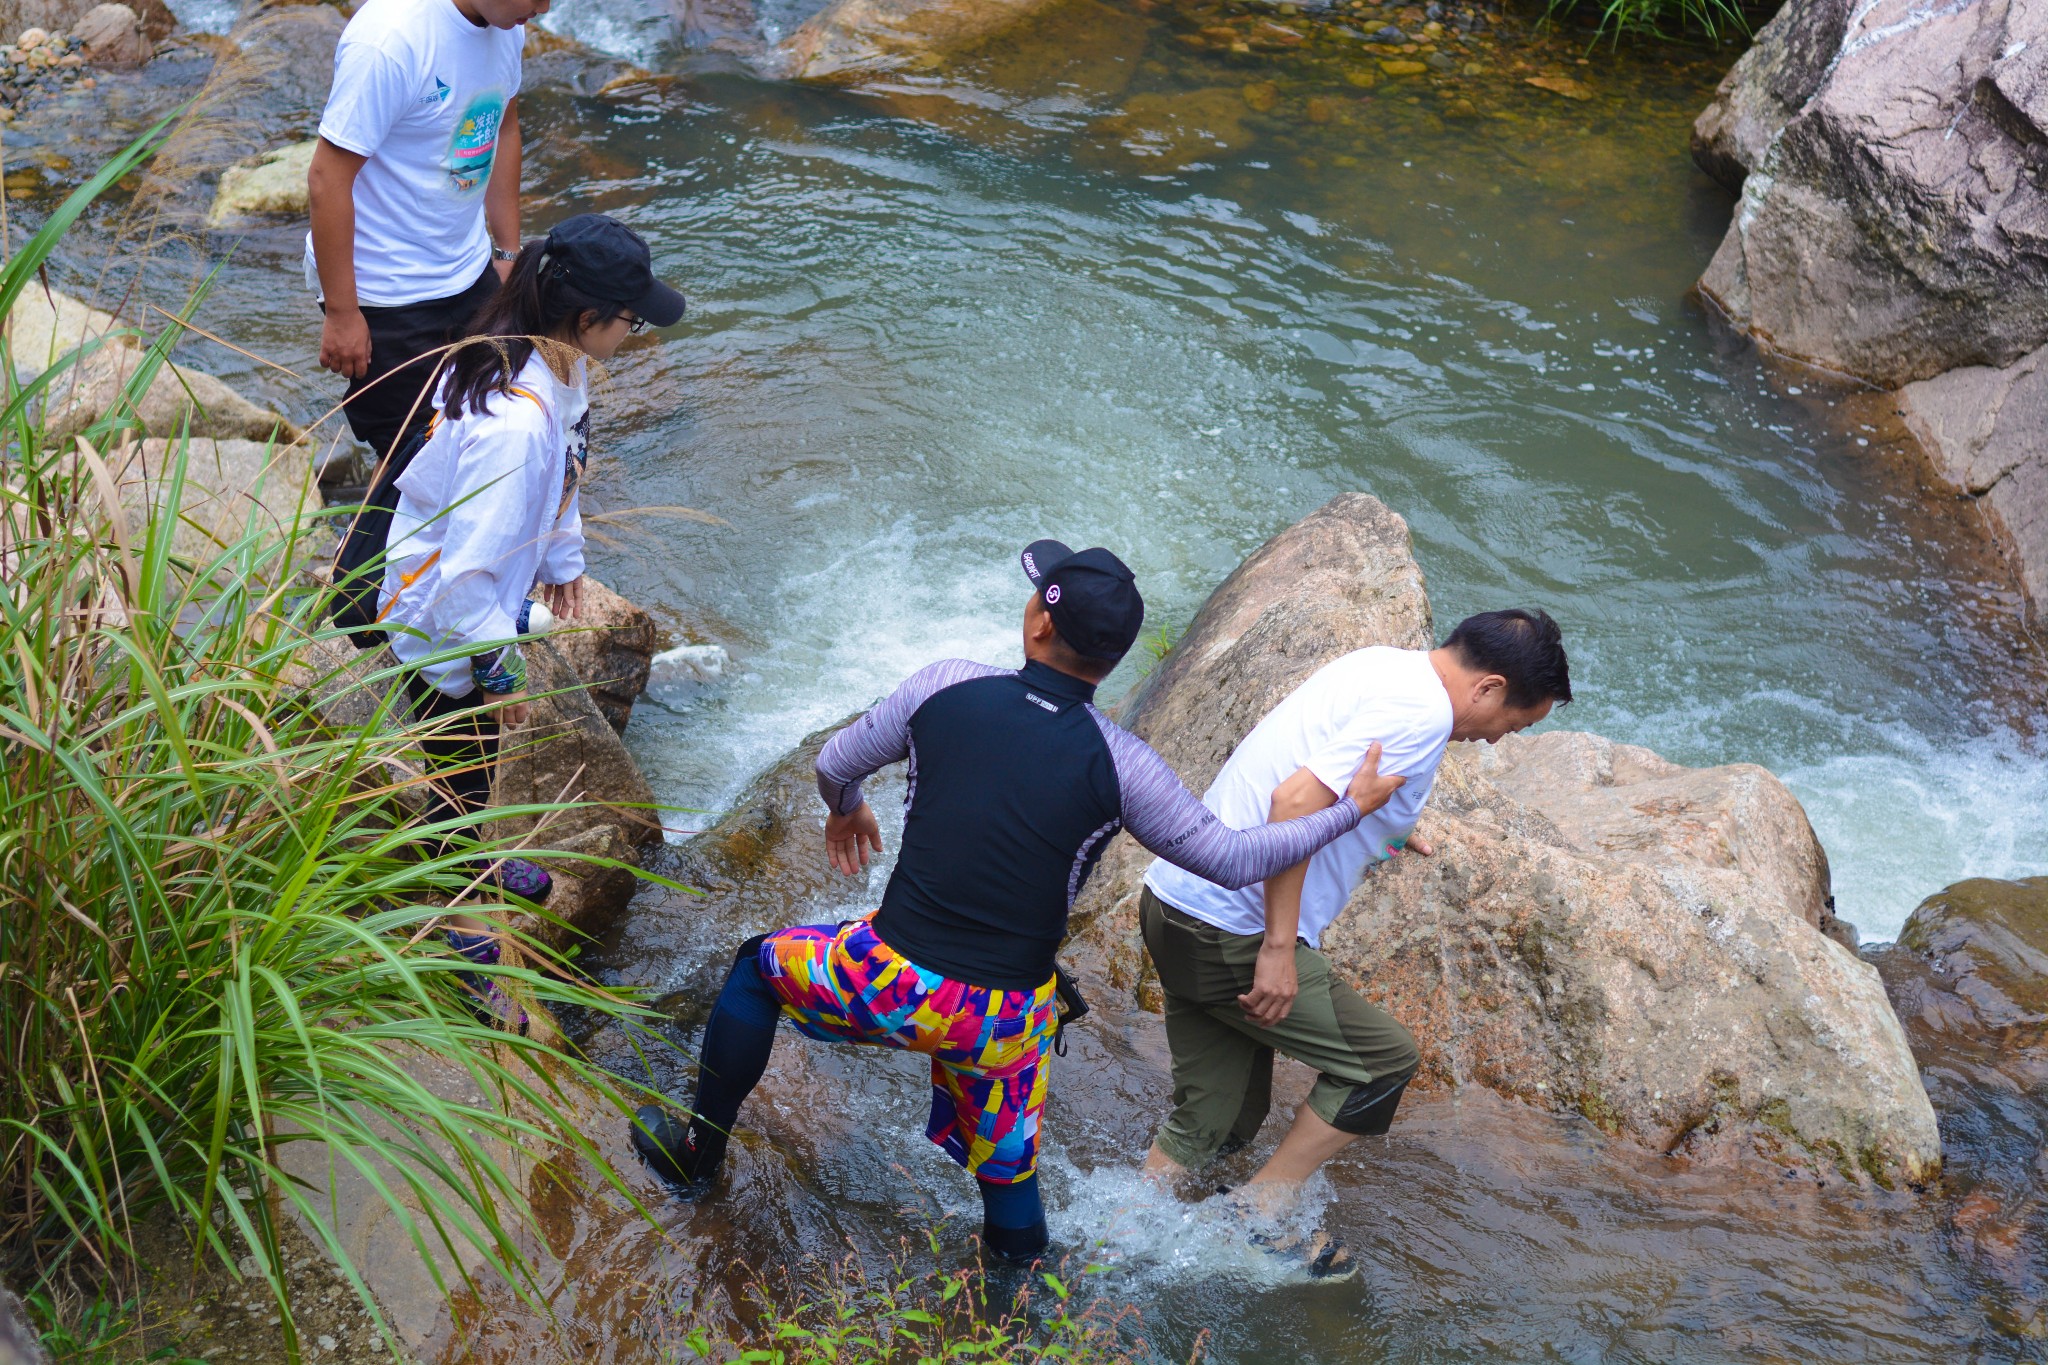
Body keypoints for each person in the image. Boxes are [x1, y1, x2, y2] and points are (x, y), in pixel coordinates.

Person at [630, 542, 1412, 1263]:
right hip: (1001, 1017)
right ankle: (1015, 1303)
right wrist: (1352, 807)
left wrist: (847, 804)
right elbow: (1238, 857)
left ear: (1039, 618)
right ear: (1111, 660)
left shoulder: (946, 684)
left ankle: (695, 1155)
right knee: (1008, 1173)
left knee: (754, 969)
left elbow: (836, 762)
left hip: (888, 976)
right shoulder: (1124, 762)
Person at [1137, 610, 1573, 1256]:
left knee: (1218, 1120)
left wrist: (1387, 829)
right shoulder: (1422, 715)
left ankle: (1115, 1239)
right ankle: (1258, 1214)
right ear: (1489, 687)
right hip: (1231, 927)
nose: (1498, 740)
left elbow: (1333, 781)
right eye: (1513, 723)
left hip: (1173, 901)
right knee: (1382, 1060)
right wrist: (1279, 948)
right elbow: (1293, 803)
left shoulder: (1386, 666)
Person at [378, 214, 686, 1024]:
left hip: (480, 597)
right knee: (463, 771)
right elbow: (465, 575)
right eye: (632, 319)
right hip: (443, 622)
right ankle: (465, 934)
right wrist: (496, 668)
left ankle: (475, 856)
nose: (634, 331)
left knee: (480, 758)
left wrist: (564, 564)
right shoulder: (516, 423)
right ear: (587, 318)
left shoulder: (548, 362)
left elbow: (564, 479)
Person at [308, 0, 548, 465]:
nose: (544, 8)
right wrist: (342, 313)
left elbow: (505, 128)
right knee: (413, 463)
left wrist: (507, 252)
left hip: (469, 268)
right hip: (386, 291)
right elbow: (326, 179)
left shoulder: (506, 24)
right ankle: (363, 538)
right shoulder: (390, 41)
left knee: (483, 435)